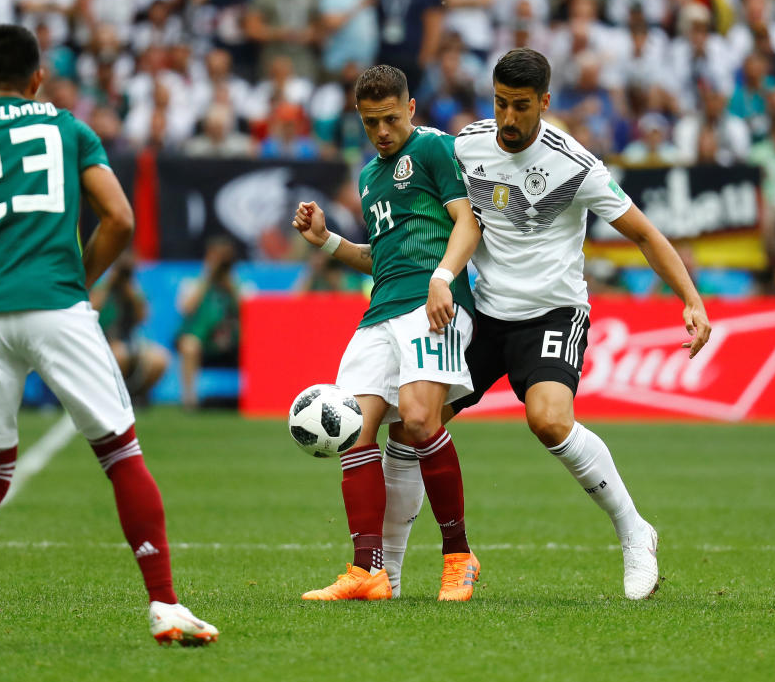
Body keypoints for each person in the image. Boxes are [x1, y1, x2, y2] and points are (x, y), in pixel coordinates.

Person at [0, 25, 218, 648]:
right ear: (37, 79)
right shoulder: (68, 128)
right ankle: (165, 607)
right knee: (120, 455)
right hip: (57, 306)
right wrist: (78, 283)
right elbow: (120, 218)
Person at [383, 48, 712, 601]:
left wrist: (691, 301)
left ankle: (635, 532)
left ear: (544, 103)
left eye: (521, 107)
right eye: (500, 104)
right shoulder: (469, 144)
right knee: (413, 423)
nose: (509, 119)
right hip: (482, 312)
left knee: (548, 420)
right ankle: (385, 572)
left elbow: (646, 235)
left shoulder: (575, 164)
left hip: (553, 312)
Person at [292, 64, 482, 601]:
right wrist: (327, 240)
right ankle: (367, 572)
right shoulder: (369, 176)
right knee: (355, 431)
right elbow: (380, 258)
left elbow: (468, 222)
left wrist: (443, 278)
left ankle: (459, 557)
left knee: (420, 421)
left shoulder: (433, 151)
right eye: (372, 122)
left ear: (412, 109)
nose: (382, 132)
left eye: (392, 119)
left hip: (433, 303)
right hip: (380, 311)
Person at [90, 253, 170, 405]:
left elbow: (143, 317)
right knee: (120, 355)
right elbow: (92, 311)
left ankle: (139, 395)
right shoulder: (102, 288)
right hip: (105, 341)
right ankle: (113, 397)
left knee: (160, 358)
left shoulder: (134, 290)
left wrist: (130, 292)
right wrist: (109, 283)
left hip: (131, 341)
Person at [175, 236, 240, 409]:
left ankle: (256, 399)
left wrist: (229, 283)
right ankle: (190, 401)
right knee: (189, 345)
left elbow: (248, 311)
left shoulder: (239, 285)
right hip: (205, 345)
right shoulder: (192, 283)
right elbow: (186, 308)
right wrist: (208, 277)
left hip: (233, 345)